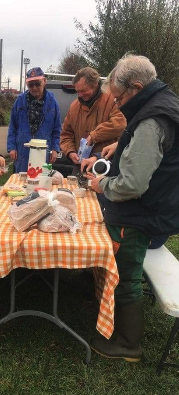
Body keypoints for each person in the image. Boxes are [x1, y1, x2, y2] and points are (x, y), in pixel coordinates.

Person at [85, 55, 179, 362]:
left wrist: (103, 186)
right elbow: (146, 153)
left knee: (126, 277)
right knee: (124, 273)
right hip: (154, 208)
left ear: (137, 87)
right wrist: (121, 146)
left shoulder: (153, 120)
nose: (120, 103)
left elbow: (133, 185)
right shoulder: (162, 103)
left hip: (141, 214)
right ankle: (120, 330)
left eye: (121, 97)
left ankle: (128, 344)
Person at [60, 67, 126, 174]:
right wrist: (70, 151)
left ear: (95, 85)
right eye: (77, 91)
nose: (80, 95)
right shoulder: (74, 107)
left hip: (105, 166)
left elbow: (120, 123)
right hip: (80, 167)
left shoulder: (112, 100)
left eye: (83, 91)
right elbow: (66, 134)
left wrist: (94, 135)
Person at [7, 67, 61, 173]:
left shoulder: (52, 102)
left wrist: (55, 149)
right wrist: (11, 147)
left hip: (43, 152)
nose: (34, 87)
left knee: (41, 182)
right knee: (21, 184)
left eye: (37, 83)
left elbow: (57, 129)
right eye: (31, 85)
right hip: (22, 152)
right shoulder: (20, 101)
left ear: (44, 81)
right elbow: (12, 127)